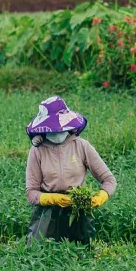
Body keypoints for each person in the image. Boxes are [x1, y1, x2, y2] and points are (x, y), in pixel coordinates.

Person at [25, 95, 116, 244]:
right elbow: (31, 192)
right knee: (40, 253)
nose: (57, 133)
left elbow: (109, 180)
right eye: (52, 129)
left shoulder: (81, 146)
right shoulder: (37, 151)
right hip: (47, 212)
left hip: (78, 207)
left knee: (81, 253)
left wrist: (101, 196)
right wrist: (52, 198)